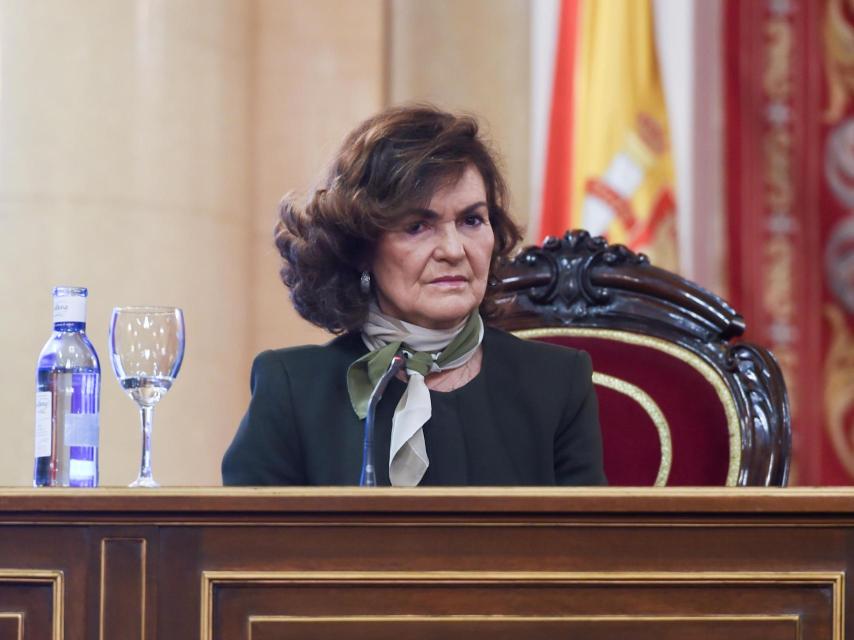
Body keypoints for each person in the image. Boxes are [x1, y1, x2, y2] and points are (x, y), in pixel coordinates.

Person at [222, 105, 606, 487]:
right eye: (418, 226)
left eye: (471, 220)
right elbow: (243, 546)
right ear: (361, 247)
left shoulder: (556, 382)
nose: (454, 250)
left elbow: (588, 546)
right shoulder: (292, 389)